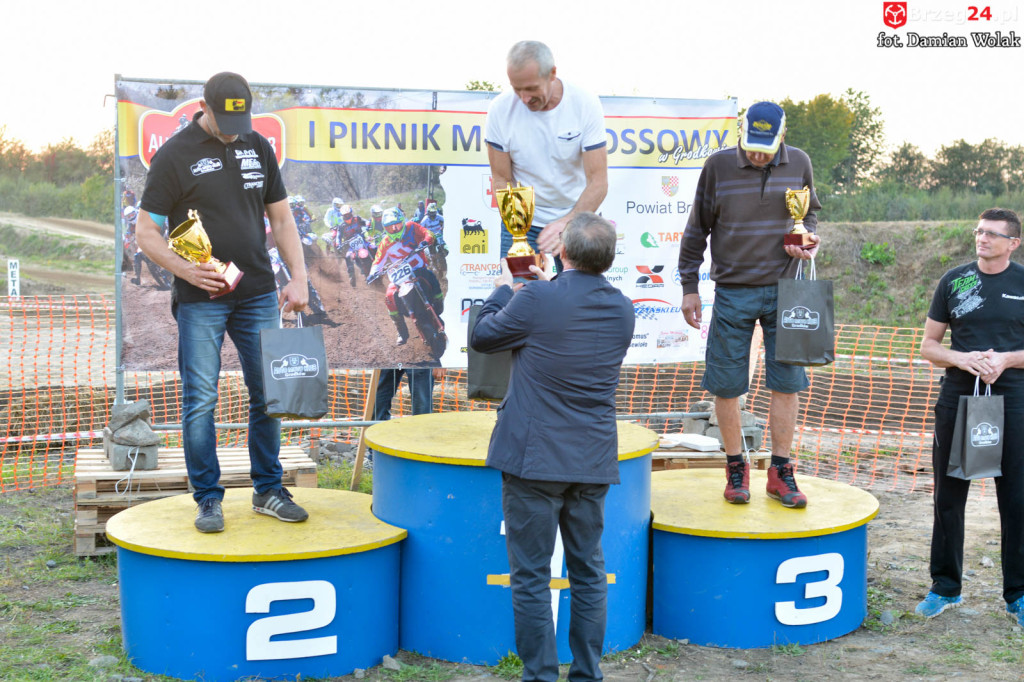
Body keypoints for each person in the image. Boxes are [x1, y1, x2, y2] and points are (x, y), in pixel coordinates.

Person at [136, 72, 310, 533]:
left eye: (242, 117)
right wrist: (185, 270)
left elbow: (282, 217)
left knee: (269, 394)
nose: (235, 128)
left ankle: (268, 490)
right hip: (201, 298)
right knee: (201, 399)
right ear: (205, 108)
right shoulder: (175, 154)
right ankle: (208, 499)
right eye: (226, 118)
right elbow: (146, 231)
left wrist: (299, 277)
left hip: (256, 292)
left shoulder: (257, 145)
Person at [471, 212, 634, 682]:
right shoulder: (623, 307)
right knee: (588, 573)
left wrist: (508, 287)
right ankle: (587, 673)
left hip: (533, 460)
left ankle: (540, 676)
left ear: (563, 253)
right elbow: (567, 314)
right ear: (608, 259)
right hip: (592, 459)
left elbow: (484, 337)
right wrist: (543, 289)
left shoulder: (538, 296)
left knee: (531, 577)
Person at [677, 101, 821, 509]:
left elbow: (810, 215)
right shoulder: (718, 166)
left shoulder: (801, 163)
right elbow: (696, 230)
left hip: (787, 290)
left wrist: (808, 236)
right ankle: (736, 467)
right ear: (741, 132)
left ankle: (781, 472)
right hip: (733, 291)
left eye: (767, 146)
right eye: (752, 144)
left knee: (787, 383)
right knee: (725, 383)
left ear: (782, 135)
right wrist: (690, 286)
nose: (759, 153)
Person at [916, 207, 1024, 626]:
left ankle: (1018, 594)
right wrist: (962, 360)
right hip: (959, 397)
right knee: (949, 494)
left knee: (1016, 499)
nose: (983, 239)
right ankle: (945, 587)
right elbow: (929, 345)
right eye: (979, 232)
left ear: (1013, 243)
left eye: (993, 235)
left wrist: (1008, 360)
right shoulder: (954, 281)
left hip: (1014, 400)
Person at [485, 40, 608, 261]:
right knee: (518, 294)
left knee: (578, 295)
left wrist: (568, 222)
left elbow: (598, 182)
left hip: (578, 218)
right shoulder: (499, 109)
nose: (524, 98)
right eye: (516, 88)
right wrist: (519, 229)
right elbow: (501, 178)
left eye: (531, 88)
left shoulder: (585, 103)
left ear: (552, 74)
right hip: (524, 226)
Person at [367, 207, 443, 345]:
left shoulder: (412, 227)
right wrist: (372, 273)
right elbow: (378, 261)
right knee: (389, 297)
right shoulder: (385, 243)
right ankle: (401, 331)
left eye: (397, 225)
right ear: (385, 228)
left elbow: (428, 233)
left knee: (430, 276)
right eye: (391, 228)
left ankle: (439, 304)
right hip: (400, 277)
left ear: (403, 221)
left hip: (419, 269)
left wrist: (426, 241)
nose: (395, 229)